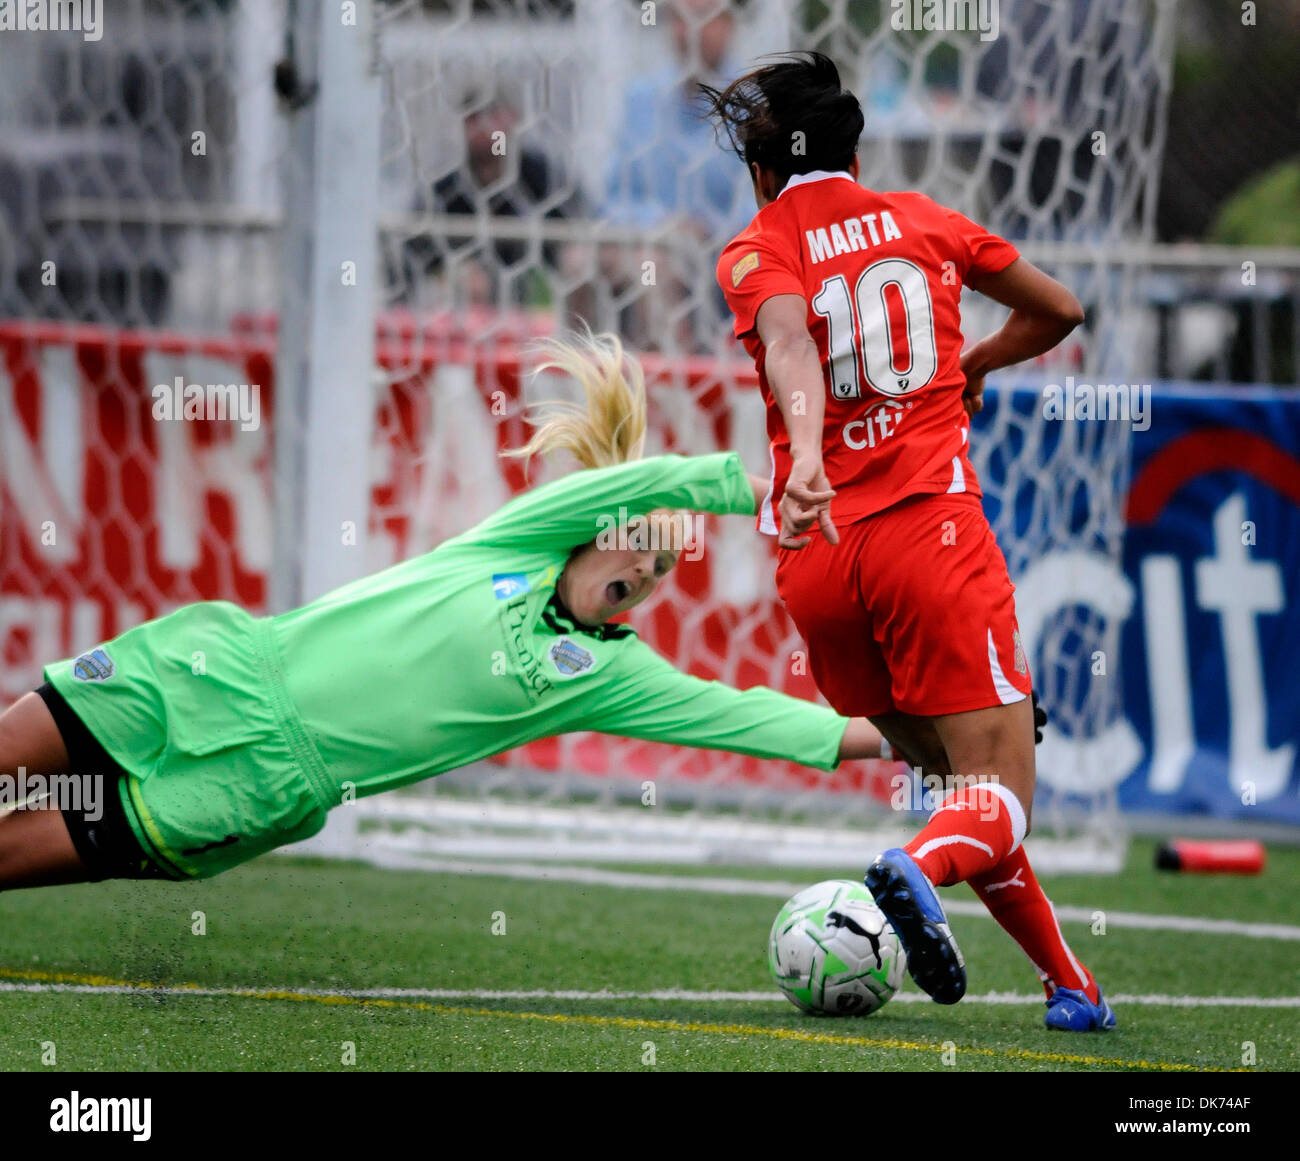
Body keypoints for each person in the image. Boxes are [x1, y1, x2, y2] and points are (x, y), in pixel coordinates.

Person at [0, 332, 893, 892]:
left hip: (268, 782)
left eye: (664, 566)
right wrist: (767, 492)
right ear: (594, 524)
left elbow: (741, 717)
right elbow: (648, 480)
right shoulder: (514, 543)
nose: (648, 567)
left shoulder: (605, 674)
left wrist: (895, 731)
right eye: (637, 540)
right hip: (216, 667)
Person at [703, 53, 1114, 1031]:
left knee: (963, 791)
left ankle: (1071, 988)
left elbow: (793, 343)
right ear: (856, 147)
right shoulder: (925, 221)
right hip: (930, 538)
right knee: (1001, 793)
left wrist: (804, 455)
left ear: (764, 168)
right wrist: (972, 362)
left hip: (819, 565)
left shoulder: (756, 247)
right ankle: (912, 870)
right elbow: (1059, 309)